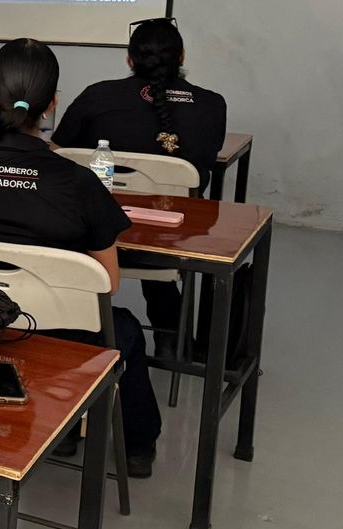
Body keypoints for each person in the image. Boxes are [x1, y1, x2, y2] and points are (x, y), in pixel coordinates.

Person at [0, 39, 161, 477]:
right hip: (62, 340)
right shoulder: (79, 184)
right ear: (52, 106)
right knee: (125, 331)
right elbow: (106, 280)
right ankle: (136, 450)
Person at [52, 18, 227, 353]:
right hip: (172, 241)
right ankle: (170, 338)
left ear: (129, 60)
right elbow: (207, 160)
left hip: (89, 237)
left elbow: (60, 154)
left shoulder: (97, 96)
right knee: (160, 209)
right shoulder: (211, 105)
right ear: (182, 56)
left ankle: (77, 329)